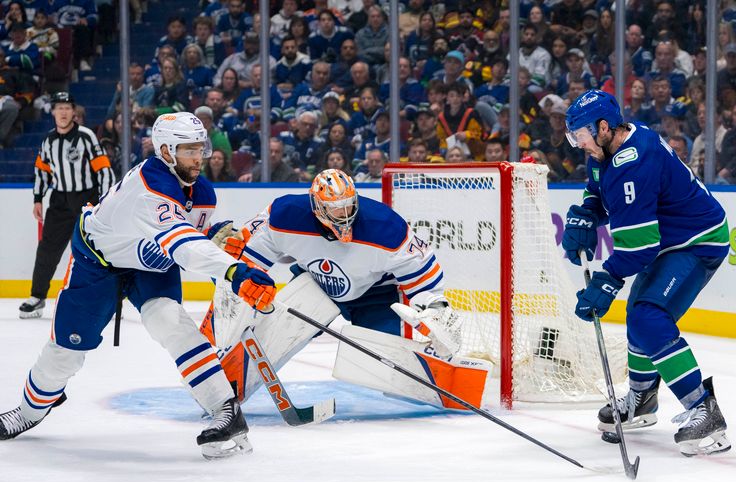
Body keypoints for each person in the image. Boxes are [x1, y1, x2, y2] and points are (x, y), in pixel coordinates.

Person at [0, 112, 277, 460]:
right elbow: (182, 243)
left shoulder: (202, 192)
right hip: (98, 263)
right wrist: (235, 272)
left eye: (200, 148)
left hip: (150, 264)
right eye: (189, 149)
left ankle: (226, 410)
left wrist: (214, 239)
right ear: (165, 150)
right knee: (65, 352)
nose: (199, 157)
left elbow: (187, 235)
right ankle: (29, 411)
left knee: (170, 321)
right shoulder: (150, 184)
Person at [202, 169, 466, 406]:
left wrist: (435, 309)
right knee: (277, 334)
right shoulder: (285, 215)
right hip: (314, 283)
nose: (345, 215)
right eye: (335, 209)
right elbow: (245, 264)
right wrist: (229, 270)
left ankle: (452, 384)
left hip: (376, 294)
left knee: (393, 375)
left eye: (348, 206)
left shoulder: (386, 227)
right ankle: (223, 390)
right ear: (317, 207)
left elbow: (424, 280)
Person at [561, 89, 732, 456]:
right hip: (670, 240)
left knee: (649, 317)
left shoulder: (634, 162)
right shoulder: (605, 149)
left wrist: (606, 282)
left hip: (697, 242)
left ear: (603, 127)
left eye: (581, 135)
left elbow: (639, 248)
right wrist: (587, 213)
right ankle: (642, 400)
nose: (578, 143)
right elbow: (598, 190)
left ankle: (704, 409)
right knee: (639, 317)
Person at [20, 92, 115, 319]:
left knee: (96, 250)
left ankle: (108, 298)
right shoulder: (48, 140)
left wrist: (104, 202)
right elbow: (41, 172)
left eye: (67, 108)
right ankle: (37, 296)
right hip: (60, 200)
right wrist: (37, 199)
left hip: (87, 198)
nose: (63, 112)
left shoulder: (86, 136)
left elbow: (104, 170)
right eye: (58, 108)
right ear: (53, 112)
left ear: (74, 112)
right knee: (47, 250)